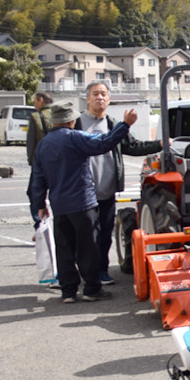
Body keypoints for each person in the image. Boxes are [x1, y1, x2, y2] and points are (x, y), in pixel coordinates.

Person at [30, 100, 138, 303]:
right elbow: (104, 142)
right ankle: (91, 288)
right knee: (88, 246)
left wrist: (40, 205)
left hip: (58, 204)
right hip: (82, 202)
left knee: (64, 247)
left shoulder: (44, 144)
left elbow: (38, 178)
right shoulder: (74, 138)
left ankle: (68, 291)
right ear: (72, 120)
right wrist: (125, 125)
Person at [75, 81, 161, 284]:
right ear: (87, 98)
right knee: (86, 234)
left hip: (107, 189)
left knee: (105, 234)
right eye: (95, 94)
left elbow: (133, 146)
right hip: (82, 191)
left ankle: (102, 271)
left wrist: (159, 144)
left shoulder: (113, 124)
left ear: (109, 99)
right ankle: (85, 274)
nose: (100, 98)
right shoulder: (78, 124)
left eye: (104, 94)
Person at [26, 91, 54, 231]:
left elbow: (31, 144)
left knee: (34, 193)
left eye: (35, 101)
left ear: (41, 100)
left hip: (41, 163)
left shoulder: (36, 117)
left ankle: (40, 225)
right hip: (59, 163)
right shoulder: (59, 115)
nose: (34, 104)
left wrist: (32, 162)